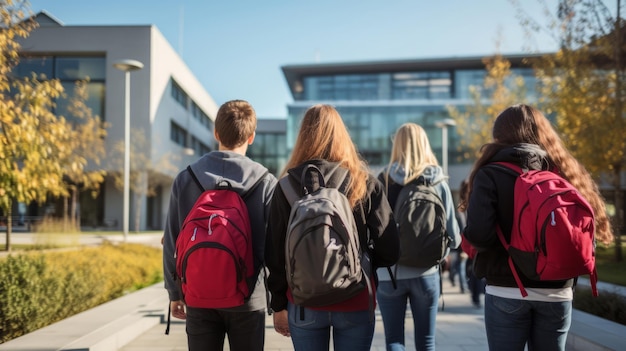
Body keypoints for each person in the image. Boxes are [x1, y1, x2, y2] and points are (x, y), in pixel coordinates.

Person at [461, 104, 614, 351]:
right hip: (558, 289)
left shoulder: (490, 173)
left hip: (507, 288)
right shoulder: (565, 171)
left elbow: (480, 235)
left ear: (499, 136)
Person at [265, 104, 400, 351]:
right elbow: (390, 248)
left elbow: (274, 253)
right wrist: (364, 263)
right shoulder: (364, 181)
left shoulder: (285, 186)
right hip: (355, 297)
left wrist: (278, 305)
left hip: (303, 303)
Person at [162, 99, 277, 351]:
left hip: (198, 293)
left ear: (216, 134)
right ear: (251, 137)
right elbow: (275, 248)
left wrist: (174, 292)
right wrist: (278, 301)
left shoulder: (186, 178)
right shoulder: (266, 182)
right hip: (248, 296)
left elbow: (172, 240)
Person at [376, 122, 461, 351]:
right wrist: (437, 254)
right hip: (426, 273)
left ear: (397, 145)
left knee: (394, 340)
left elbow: (372, 230)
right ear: (425, 144)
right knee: (426, 342)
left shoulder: (382, 179)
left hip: (389, 275)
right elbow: (454, 236)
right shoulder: (437, 181)